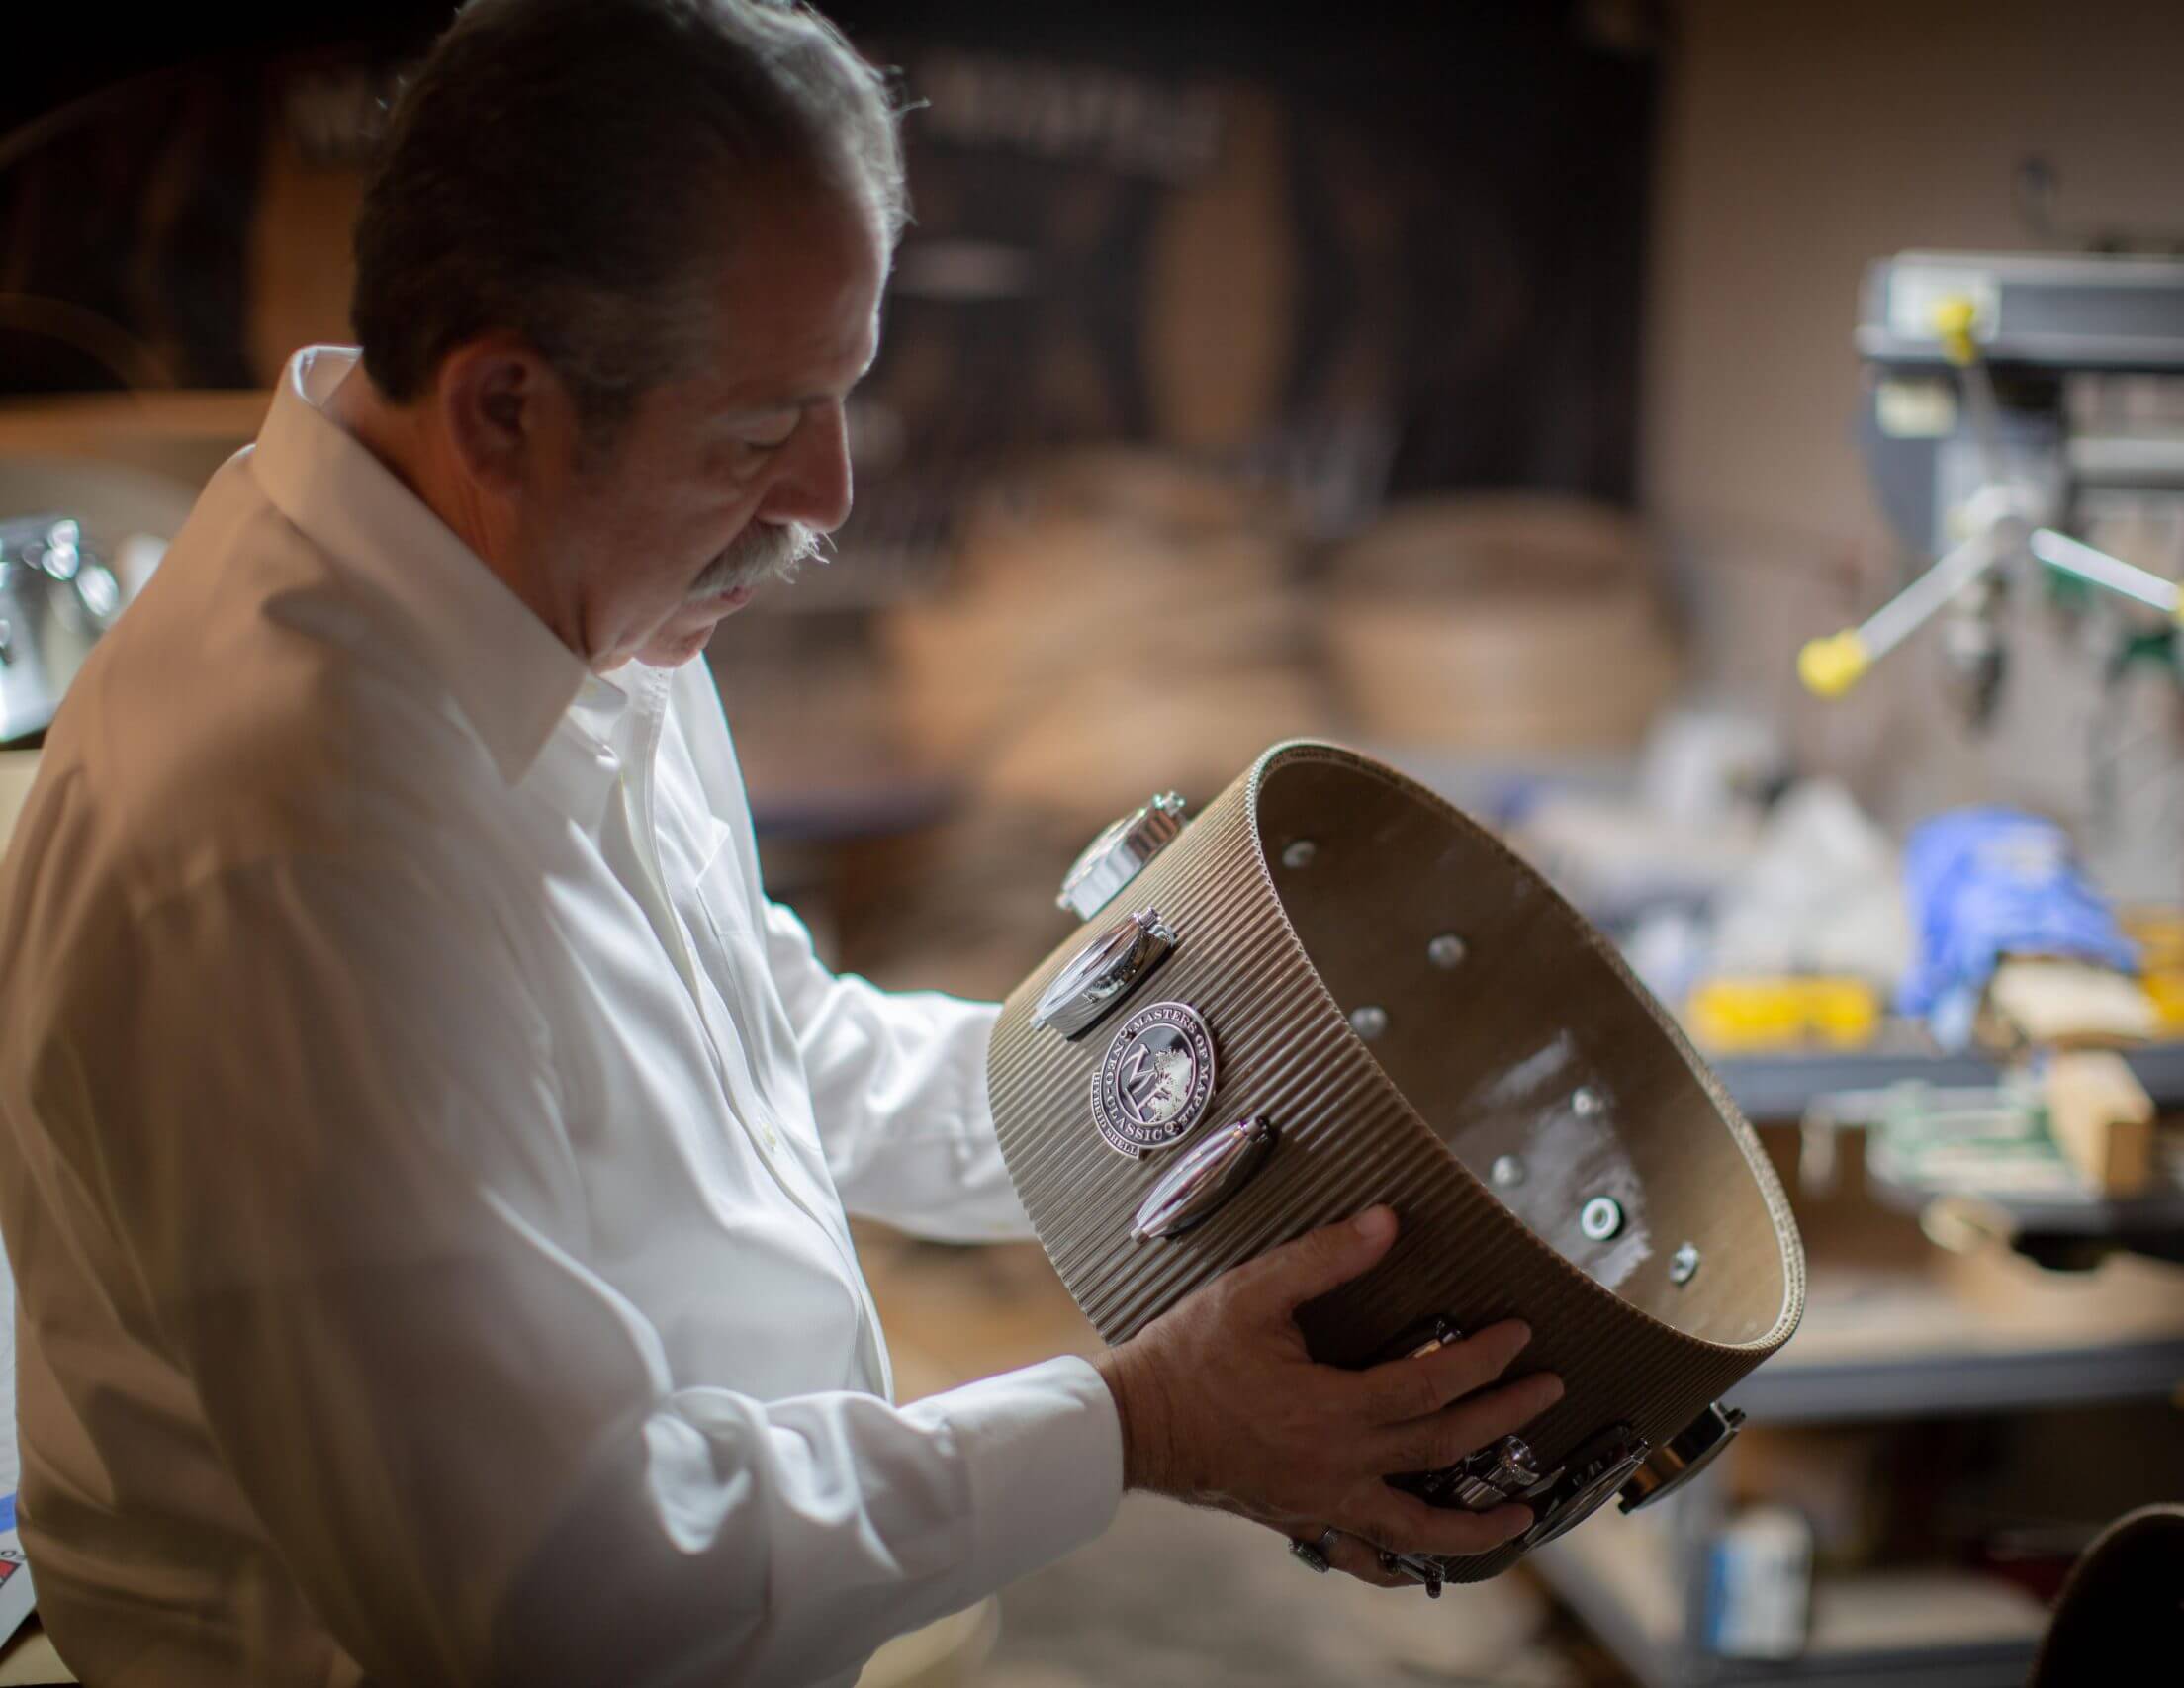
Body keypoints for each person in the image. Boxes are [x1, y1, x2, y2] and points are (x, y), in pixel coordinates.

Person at [0, 1, 1561, 1682]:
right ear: (505, 408)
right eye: (755, 431)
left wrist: (1210, 1120)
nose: (827, 489)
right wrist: (1145, 1421)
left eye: (840, 396)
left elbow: (763, 1048)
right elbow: (554, 1591)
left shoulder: (563, 600)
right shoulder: (283, 846)